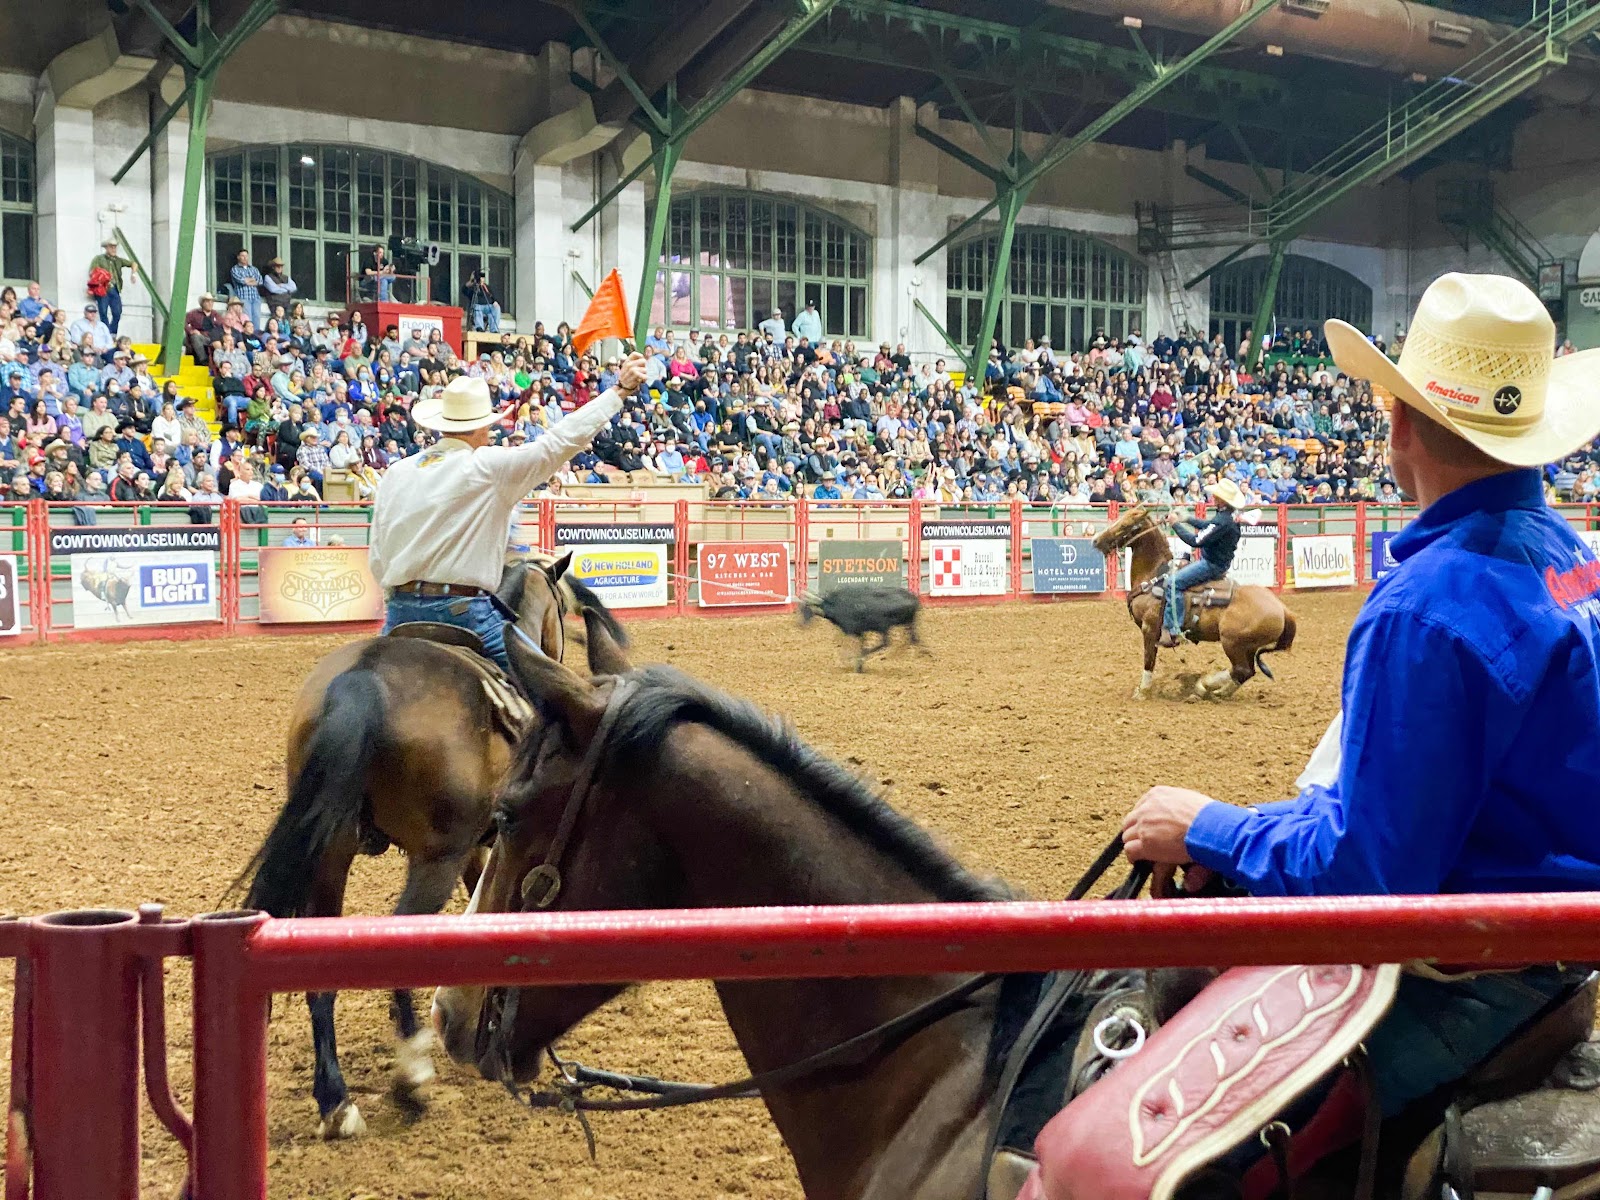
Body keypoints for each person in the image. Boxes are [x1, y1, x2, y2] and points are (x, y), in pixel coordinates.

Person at [1121, 272, 1600, 1125]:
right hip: (1551, 957)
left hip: (1466, 981)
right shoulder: (1574, 558)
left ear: (1401, 422)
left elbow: (1372, 873)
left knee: (1165, 1133)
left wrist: (1208, 827)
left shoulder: (1424, 607)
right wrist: (1249, 829)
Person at [369, 351, 647, 673]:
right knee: (544, 687)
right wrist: (618, 392)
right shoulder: (488, 466)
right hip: (464, 614)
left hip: (399, 614)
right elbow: (556, 444)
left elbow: (378, 558)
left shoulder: (397, 472)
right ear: (483, 428)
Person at [1159, 477, 1243, 647]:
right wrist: (1188, 519)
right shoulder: (1227, 517)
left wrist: (1175, 525)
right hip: (1218, 562)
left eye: (1216, 495)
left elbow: (1195, 541)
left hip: (1212, 564)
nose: (1213, 496)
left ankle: (1173, 629)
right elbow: (1209, 525)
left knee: (1174, 583)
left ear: (1221, 500)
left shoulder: (1222, 520)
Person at [88, 238, 133, 335]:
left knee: (117, 312)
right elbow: (92, 272)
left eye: (114, 247)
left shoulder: (118, 260)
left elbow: (133, 264)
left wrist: (133, 274)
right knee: (103, 312)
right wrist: (102, 277)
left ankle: (112, 332)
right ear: (106, 248)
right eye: (111, 247)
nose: (113, 249)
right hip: (103, 289)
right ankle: (106, 333)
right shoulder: (99, 259)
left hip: (114, 289)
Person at [230, 249, 264, 330]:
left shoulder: (254, 269)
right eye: (242, 256)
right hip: (243, 298)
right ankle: (248, 335)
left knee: (257, 319)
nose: (245, 258)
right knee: (247, 319)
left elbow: (260, 281)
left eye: (246, 256)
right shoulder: (235, 269)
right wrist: (252, 280)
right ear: (238, 257)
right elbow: (241, 281)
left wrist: (248, 281)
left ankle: (255, 336)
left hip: (255, 297)